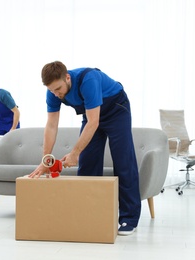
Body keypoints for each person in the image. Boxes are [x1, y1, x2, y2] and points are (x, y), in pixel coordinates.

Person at [29, 61, 141, 236]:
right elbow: (51, 125)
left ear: (67, 78)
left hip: (116, 110)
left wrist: (74, 153)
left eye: (58, 89)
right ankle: (89, 214)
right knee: (88, 164)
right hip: (91, 115)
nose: (56, 94)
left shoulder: (88, 80)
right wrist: (46, 160)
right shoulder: (52, 91)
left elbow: (94, 122)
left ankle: (129, 218)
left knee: (123, 161)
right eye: (52, 90)